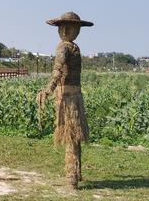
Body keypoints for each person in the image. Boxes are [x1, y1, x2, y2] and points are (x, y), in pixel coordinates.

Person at [37, 12, 93, 189]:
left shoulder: (64, 47)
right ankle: (77, 173)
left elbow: (57, 70)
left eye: (68, 27)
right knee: (75, 136)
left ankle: (71, 179)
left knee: (70, 136)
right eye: (62, 27)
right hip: (75, 96)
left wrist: (48, 90)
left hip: (68, 99)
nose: (64, 30)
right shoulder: (74, 48)